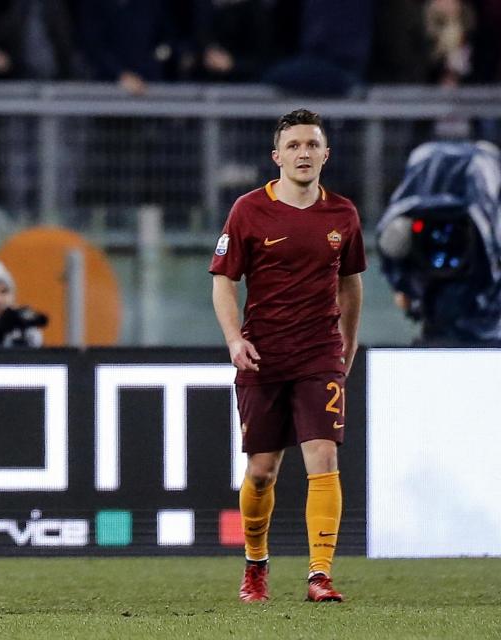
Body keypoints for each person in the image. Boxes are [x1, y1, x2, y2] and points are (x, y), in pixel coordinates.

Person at [209, 109, 365, 603]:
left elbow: (351, 287)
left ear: (325, 155)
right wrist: (235, 340)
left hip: (319, 353)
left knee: (323, 457)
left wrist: (347, 346)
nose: (303, 153)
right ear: (277, 156)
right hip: (264, 355)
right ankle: (256, 565)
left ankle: (320, 574)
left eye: (312, 145)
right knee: (262, 470)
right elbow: (223, 282)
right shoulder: (248, 210)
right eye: (294, 145)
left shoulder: (343, 215)